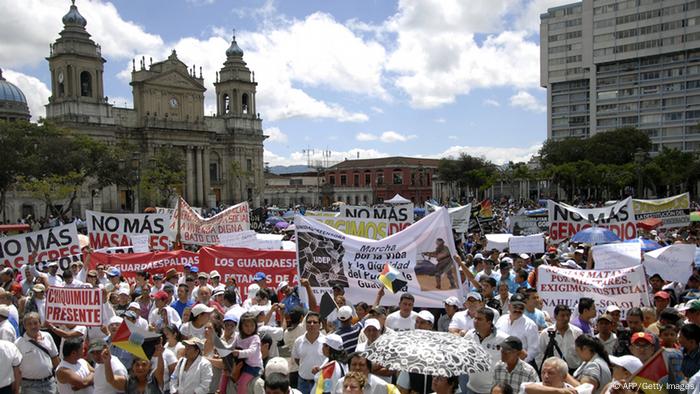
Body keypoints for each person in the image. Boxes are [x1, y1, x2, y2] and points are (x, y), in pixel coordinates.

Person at [464, 307, 509, 394]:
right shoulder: (469, 335)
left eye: (479, 319)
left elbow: (520, 355)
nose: (475, 321)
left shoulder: (503, 338)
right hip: (471, 388)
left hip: (492, 390)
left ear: (489, 322)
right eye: (475, 318)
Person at [15, 312, 59, 394]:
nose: (33, 326)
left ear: (40, 324)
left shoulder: (48, 336)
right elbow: (16, 368)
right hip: (29, 386)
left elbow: (54, 357)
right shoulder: (18, 343)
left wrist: (59, 378)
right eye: (29, 324)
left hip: (50, 384)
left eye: (35, 323)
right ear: (24, 326)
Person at [536, 304, 582, 373]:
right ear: (555, 316)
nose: (566, 318)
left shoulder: (577, 332)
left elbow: (582, 352)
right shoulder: (545, 333)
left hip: (574, 371)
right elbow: (539, 354)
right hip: (553, 372)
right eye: (562, 315)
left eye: (568, 315)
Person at [495, 295, 540, 363]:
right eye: (515, 307)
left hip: (520, 365)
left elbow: (534, 349)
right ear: (509, 306)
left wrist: (520, 363)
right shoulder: (501, 320)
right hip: (499, 362)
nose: (518, 310)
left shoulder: (530, 325)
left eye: (521, 308)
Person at [293, 311, 326, 394]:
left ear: (319, 325)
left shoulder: (326, 341)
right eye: (309, 322)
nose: (311, 324)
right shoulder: (298, 341)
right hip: (303, 382)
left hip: (321, 382)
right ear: (305, 324)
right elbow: (297, 359)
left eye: (315, 322)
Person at [232, 311, 264, 394]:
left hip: (254, 366)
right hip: (243, 364)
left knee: (242, 383)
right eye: (246, 325)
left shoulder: (255, 338)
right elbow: (231, 346)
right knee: (226, 373)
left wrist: (239, 353)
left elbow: (252, 351)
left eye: (252, 325)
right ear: (241, 326)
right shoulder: (238, 336)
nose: (249, 328)